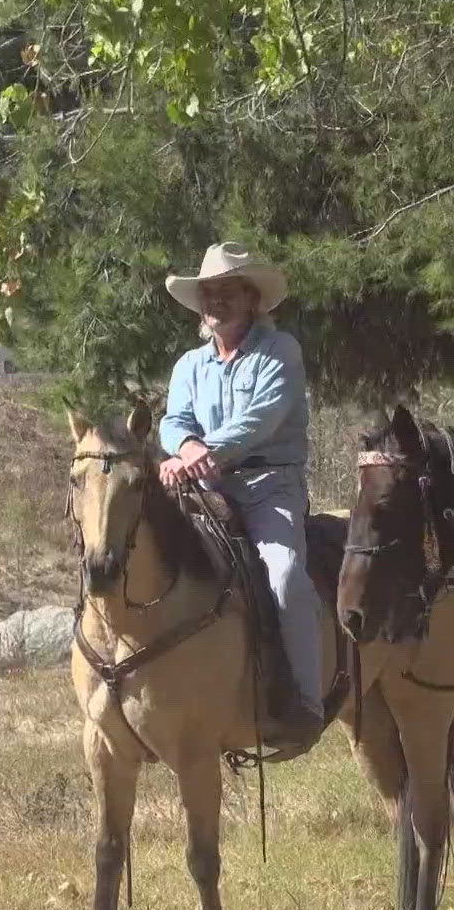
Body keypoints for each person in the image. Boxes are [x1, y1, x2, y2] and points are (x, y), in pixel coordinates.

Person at [156, 241, 324, 756]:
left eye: (227, 292)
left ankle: (305, 702)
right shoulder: (189, 365)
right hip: (205, 488)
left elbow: (261, 420)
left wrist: (204, 453)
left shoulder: (282, 352)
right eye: (209, 293)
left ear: (252, 300)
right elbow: (174, 418)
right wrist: (184, 447)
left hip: (268, 486)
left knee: (285, 575)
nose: (215, 303)